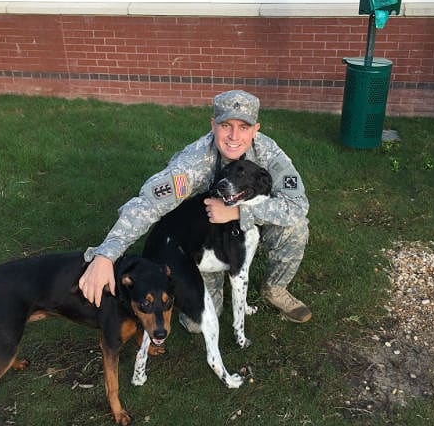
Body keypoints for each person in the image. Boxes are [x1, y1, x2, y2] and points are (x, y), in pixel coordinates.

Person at [79, 90, 311, 324]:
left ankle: (275, 289)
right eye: (225, 125)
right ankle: (212, 271)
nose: (233, 136)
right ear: (213, 125)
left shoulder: (269, 155)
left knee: (296, 227)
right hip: (202, 235)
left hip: (246, 220)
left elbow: (297, 205)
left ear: (255, 129)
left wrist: (239, 212)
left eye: (243, 127)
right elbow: (148, 204)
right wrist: (106, 256)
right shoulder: (195, 162)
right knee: (197, 323)